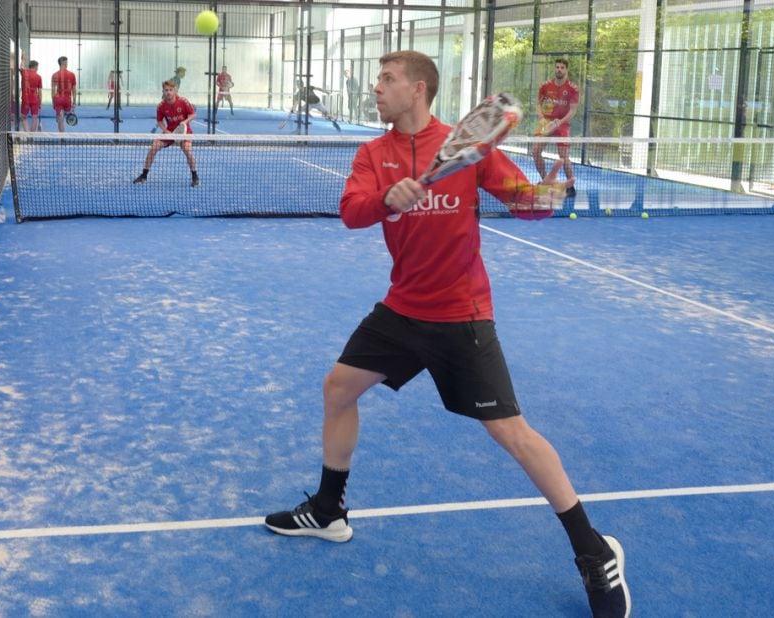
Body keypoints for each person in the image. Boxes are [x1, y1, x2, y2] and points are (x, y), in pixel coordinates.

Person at [263, 51, 629, 618]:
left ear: (419, 89)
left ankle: (594, 550)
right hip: (402, 310)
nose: (377, 88)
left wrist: (546, 197)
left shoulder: (467, 148)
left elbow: (525, 203)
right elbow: (351, 212)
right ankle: (330, 510)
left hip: (462, 315)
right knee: (338, 388)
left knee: (511, 433)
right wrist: (388, 197)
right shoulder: (374, 153)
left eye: (387, 80)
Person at [132, 80, 199, 188]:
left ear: (175, 91)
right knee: (154, 147)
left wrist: (184, 122)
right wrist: (166, 131)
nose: (168, 92)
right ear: (163, 91)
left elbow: (193, 114)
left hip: (184, 131)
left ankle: (195, 177)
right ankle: (144, 175)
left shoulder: (183, 101)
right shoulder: (161, 106)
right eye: (166, 90)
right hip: (170, 132)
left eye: (170, 90)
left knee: (187, 150)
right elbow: (159, 121)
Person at [533, 58, 579, 197]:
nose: (559, 69)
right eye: (557, 67)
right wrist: (542, 119)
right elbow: (538, 106)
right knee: (535, 151)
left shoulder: (573, 88)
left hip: (562, 125)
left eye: (562, 67)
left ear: (566, 70)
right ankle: (546, 181)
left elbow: (572, 111)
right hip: (546, 123)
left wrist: (559, 123)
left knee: (563, 156)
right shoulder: (545, 86)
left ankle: (571, 187)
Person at [51, 56, 77, 132]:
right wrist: (74, 102)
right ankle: (61, 117)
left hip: (58, 98)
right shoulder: (72, 74)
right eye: (67, 63)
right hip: (67, 99)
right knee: (63, 117)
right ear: (65, 63)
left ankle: (62, 136)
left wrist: (53, 102)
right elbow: (74, 90)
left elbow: (53, 91)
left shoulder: (54, 75)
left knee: (60, 119)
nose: (67, 64)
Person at [20, 60, 42, 131]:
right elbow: (40, 92)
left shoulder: (24, 73)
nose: (38, 69)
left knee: (23, 117)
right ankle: (31, 136)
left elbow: (21, 66)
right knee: (34, 118)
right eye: (37, 67)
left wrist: (22, 59)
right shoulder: (39, 77)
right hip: (35, 100)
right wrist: (40, 103)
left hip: (25, 99)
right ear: (35, 67)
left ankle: (27, 133)